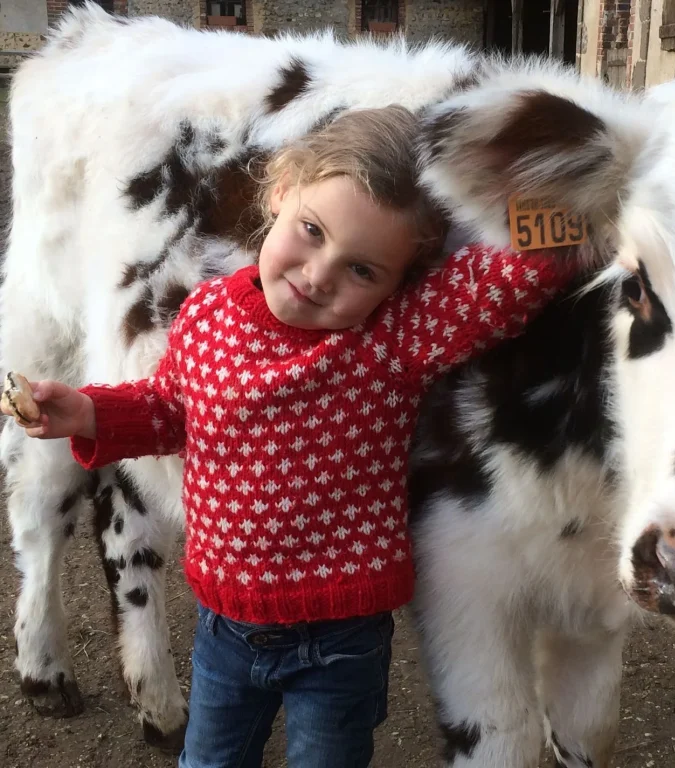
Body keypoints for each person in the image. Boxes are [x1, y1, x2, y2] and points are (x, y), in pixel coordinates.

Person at [14, 105, 578, 768]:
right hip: (223, 630)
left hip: (342, 642)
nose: (318, 275)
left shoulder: (395, 337)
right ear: (282, 190)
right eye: (311, 230)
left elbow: (518, 274)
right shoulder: (206, 317)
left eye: (363, 270)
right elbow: (169, 409)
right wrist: (88, 414)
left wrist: (568, 179)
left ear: (402, 280)